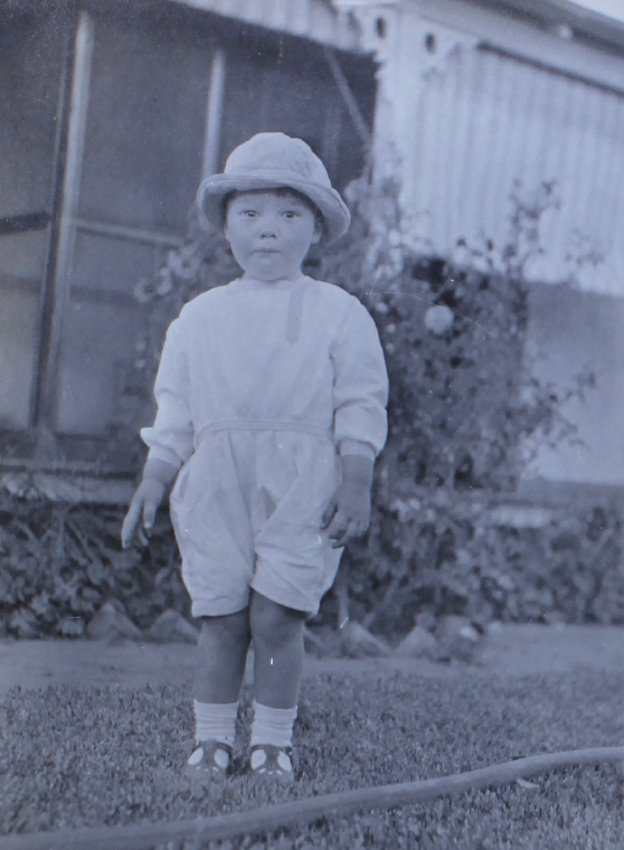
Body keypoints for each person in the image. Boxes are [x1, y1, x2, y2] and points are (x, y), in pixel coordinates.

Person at [121, 132, 388, 783]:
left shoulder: (338, 313)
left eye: (289, 215)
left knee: (278, 612)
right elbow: (176, 413)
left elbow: (360, 400)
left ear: (316, 227)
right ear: (226, 225)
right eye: (251, 214)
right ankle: (211, 741)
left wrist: (356, 478)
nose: (268, 230)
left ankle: (272, 742)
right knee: (221, 614)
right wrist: (154, 479)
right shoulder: (199, 317)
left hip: (304, 482)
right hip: (217, 481)